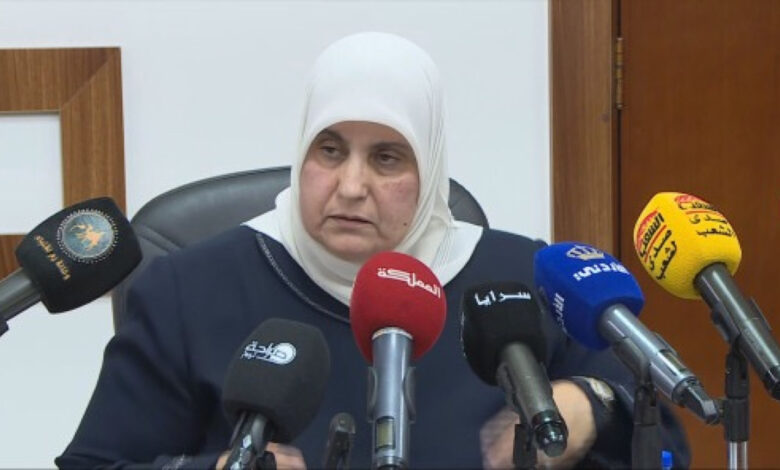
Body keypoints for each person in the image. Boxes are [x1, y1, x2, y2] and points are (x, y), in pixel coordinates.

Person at [56, 32, 689, 469]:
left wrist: (594, 406)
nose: (351, 186)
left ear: (431, 168)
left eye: (387, 158)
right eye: (329, 150)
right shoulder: (189, 289)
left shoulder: (517, 277)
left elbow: (668, 449)